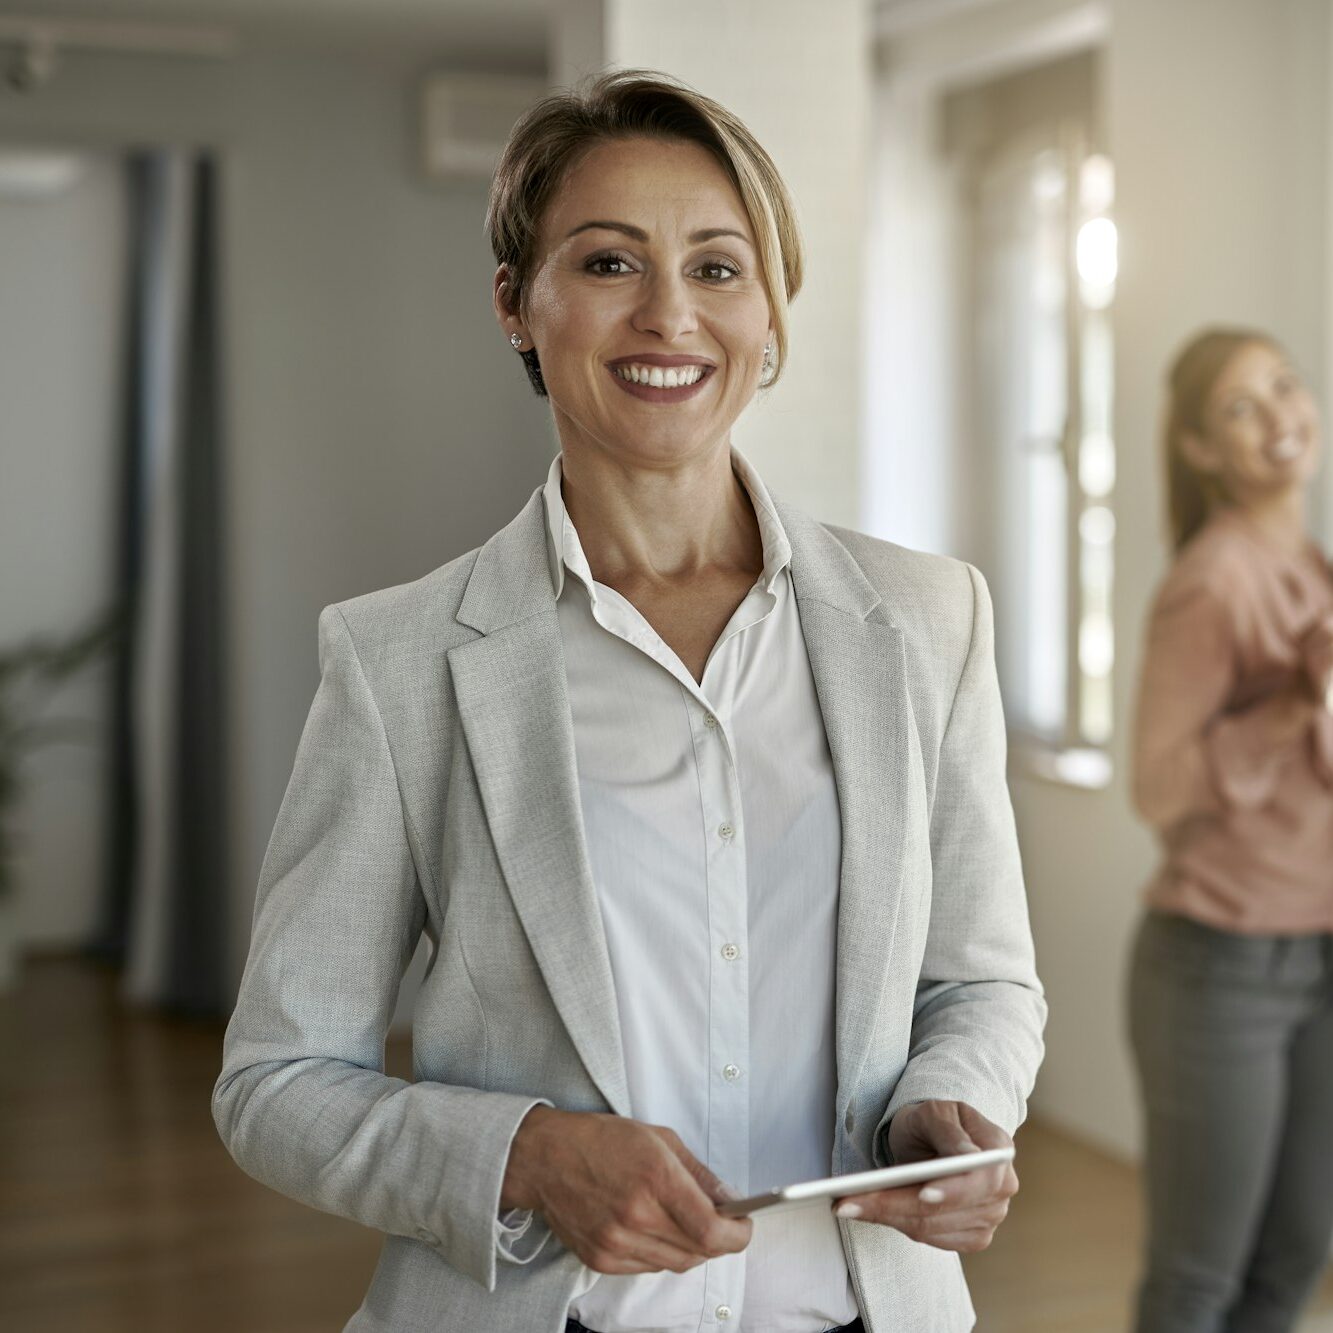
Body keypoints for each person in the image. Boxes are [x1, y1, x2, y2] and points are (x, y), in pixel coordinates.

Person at [213, 70, 1046, 1333]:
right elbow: (275, 1083)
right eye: (608, 263)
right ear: (514, 303)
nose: (670, 315)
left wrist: (955, 1103)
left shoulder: (928, 623)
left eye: (718, 269)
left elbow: (984, 984)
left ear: (771, 314)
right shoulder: (396, 664)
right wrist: (526, 1154)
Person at [1129, 327, 1333, 1333]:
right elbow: (1157, 788)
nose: (1278, 419)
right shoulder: (1212, 581)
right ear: (1203, 449)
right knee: (1199, 1278)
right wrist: (1294, 700)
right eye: (1240, 408)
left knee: (1292, 1261)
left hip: (1318, 951)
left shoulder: (1313, 567)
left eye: (1282, 389)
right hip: (1221, 965)